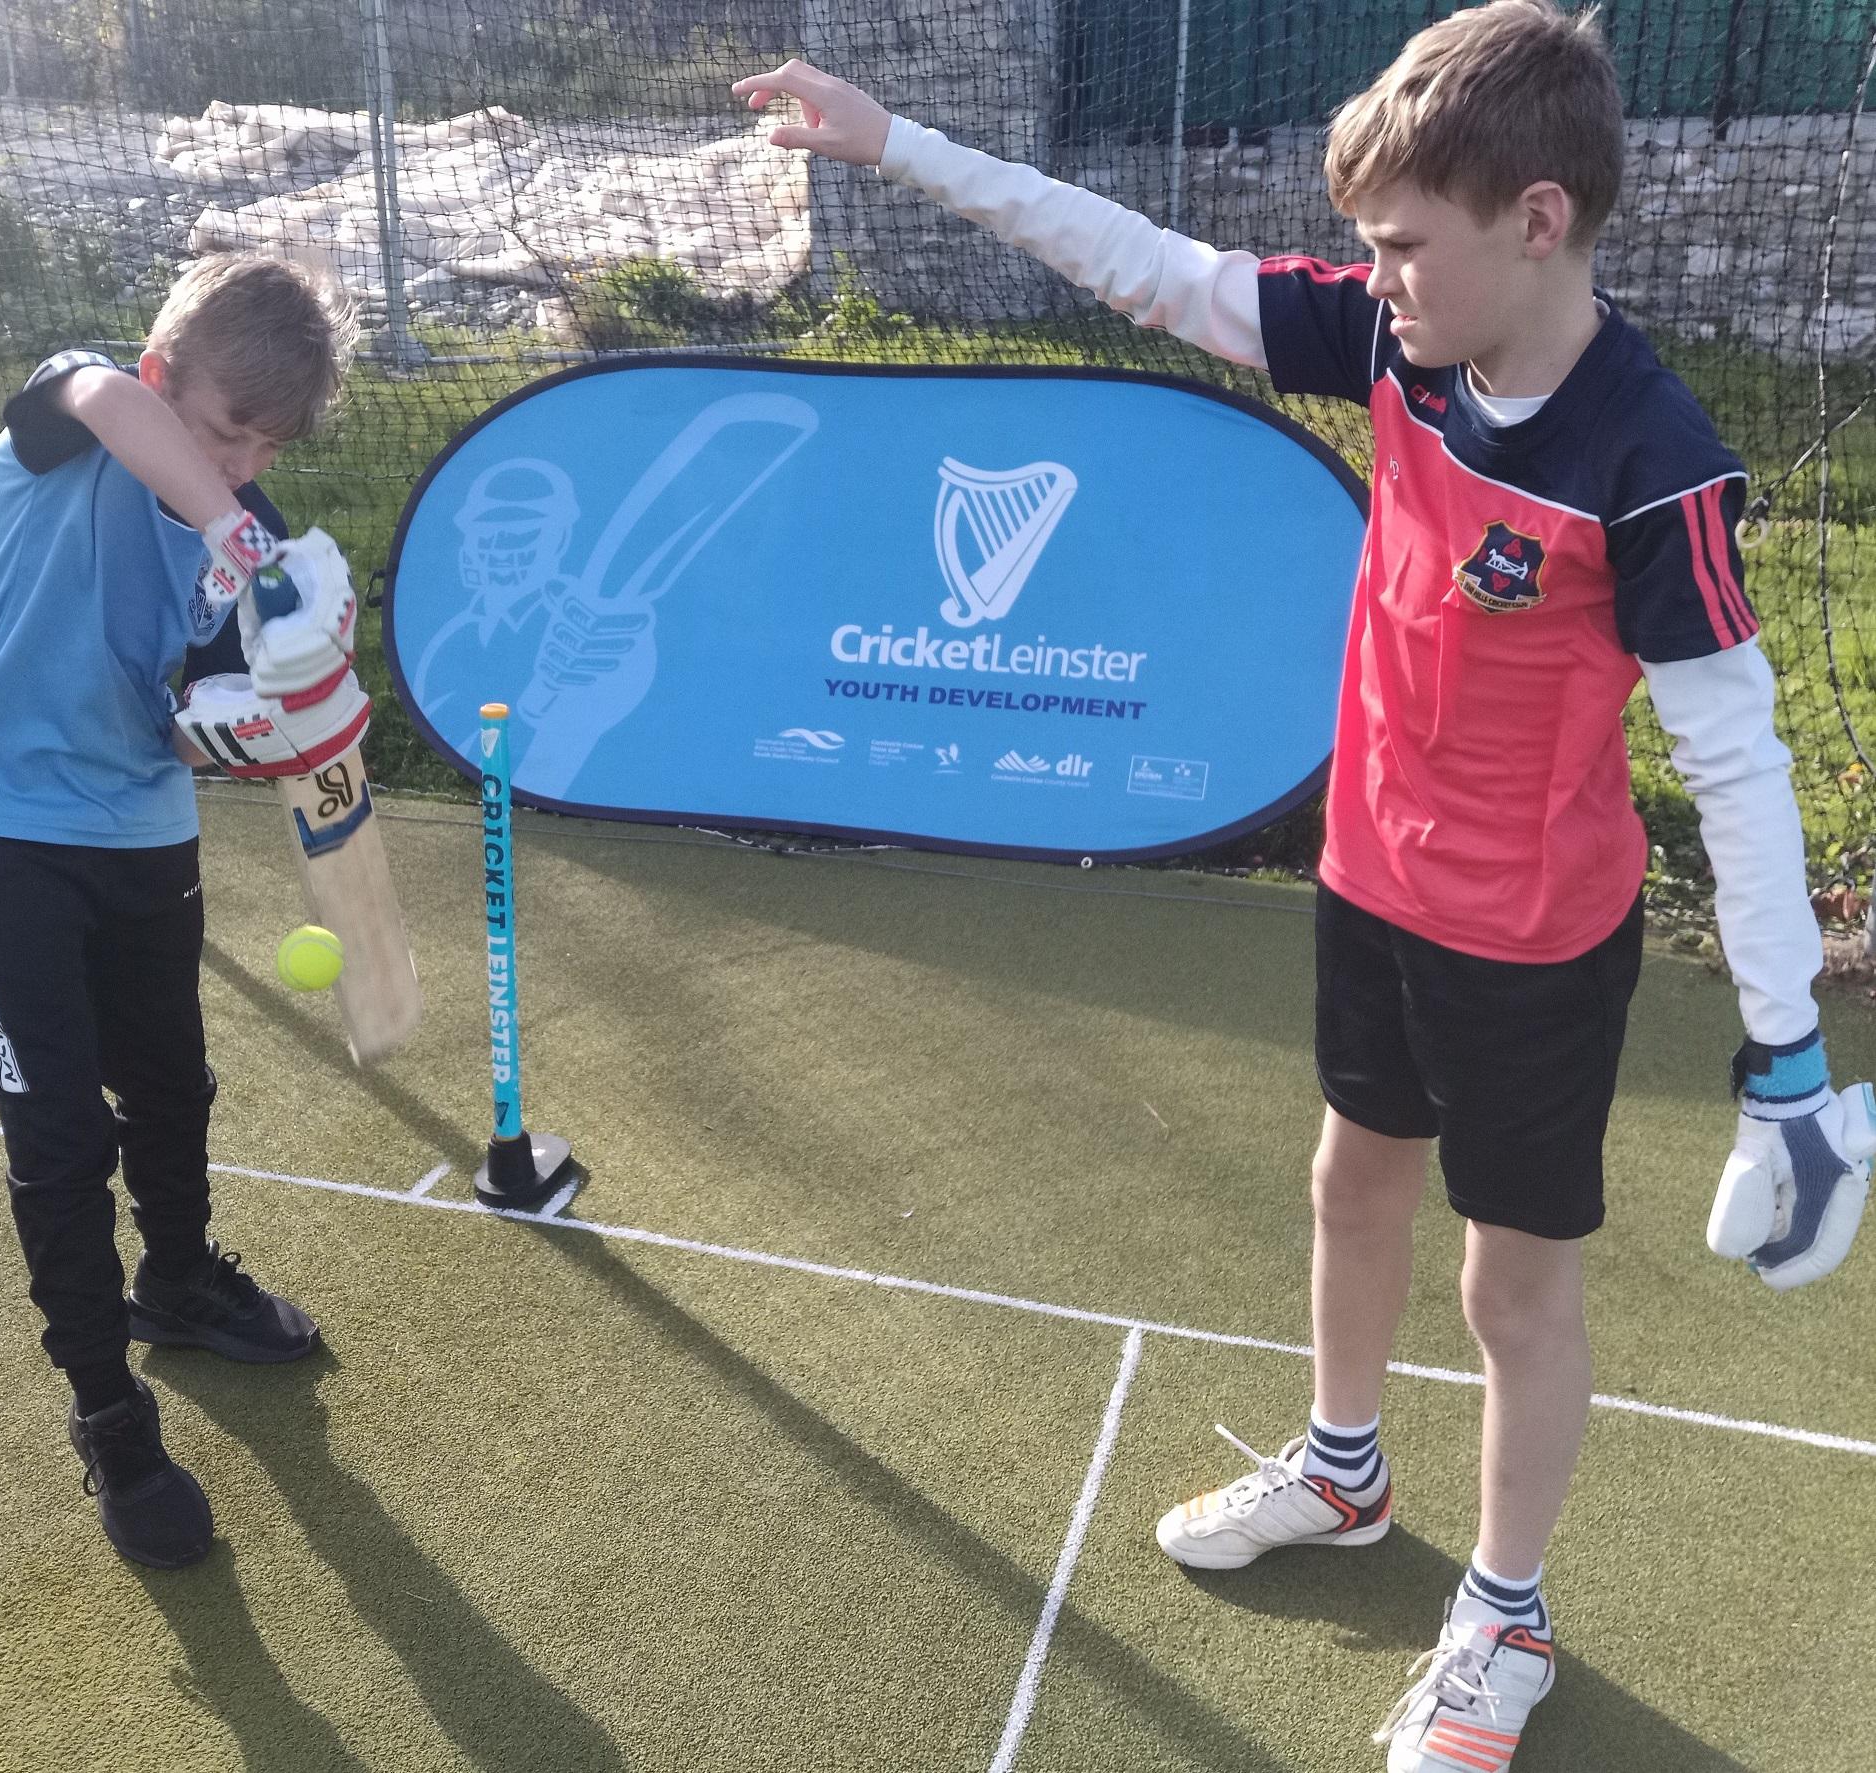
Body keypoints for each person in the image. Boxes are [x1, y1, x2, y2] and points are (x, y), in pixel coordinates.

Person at [734, 5, 1864, 1767]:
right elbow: (1147, 270)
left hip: (1532, 944)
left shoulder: (1653, 461)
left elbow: (1738, 759)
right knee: (1348, 1183)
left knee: (1510, 1291)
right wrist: (896, 146)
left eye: (1406, 245)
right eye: (1366, 249)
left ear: (1539, 220)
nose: (1377, 278)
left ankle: (1504, 1612)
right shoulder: (1401, 343)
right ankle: (1344, 1474)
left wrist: (1786, 1058)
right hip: (1369, 877)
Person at [0, 251, 370, 1569]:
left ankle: (181, 1279)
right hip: (7, 826)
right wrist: (230, 518)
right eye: (227, 426)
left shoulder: (241, 535)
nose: (247, 459)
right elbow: (101, 396)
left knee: (173, 1084)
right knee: (57, 1135)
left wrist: (271, 722)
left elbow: (193, 715)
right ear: (169, 378)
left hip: (142, 828)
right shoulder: (66, 425)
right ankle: (107, 1407)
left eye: (268, 442)